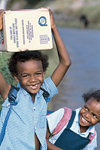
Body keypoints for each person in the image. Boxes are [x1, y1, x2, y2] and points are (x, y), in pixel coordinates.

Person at [0, 9, 71, 150]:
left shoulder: (44, 93)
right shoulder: (11, 95)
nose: (33, 80)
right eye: (26, 75)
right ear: (16, 76)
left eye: (37, 74)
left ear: (43, 73)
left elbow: (65, 63)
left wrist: (53, 28)